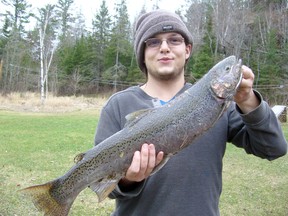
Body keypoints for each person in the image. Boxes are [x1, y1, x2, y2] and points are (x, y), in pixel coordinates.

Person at [93, 10, 287, 216]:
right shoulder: (118, 105)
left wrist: (248, 100)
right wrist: (128, 179)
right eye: (153, 42)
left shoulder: (222, 105)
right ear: (142, 53)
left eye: (174, 40)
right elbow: (100, 180)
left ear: (187, 50)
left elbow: (273, 148)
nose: (165, 48)